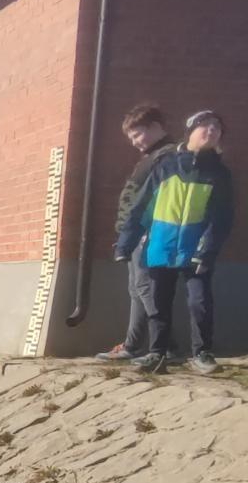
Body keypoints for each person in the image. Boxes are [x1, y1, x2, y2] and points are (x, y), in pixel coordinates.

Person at [115, 110, 235, 375]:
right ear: (190, 131)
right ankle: (157, 354)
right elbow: (141, 206)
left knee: (199, 302)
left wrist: (207, 250)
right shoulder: (166, 165)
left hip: (196, 250)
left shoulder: (219, 173)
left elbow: (222, 218)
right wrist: (125, 243)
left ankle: (201, 353)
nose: (212, 130)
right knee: (158, 302)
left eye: (217, 127)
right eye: (205, 125)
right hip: (161, 245)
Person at [96, 103, 179, 361]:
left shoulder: (168, 156)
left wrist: (146, 230)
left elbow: (161, 197)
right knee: (136, 289)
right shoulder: (151, 156)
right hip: (134, 235)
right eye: (131, 137)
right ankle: (133, 345)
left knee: (146, 288)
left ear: (155, 126)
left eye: (137, 134)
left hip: (148, 233)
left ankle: (166, 347)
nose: (134, 142)